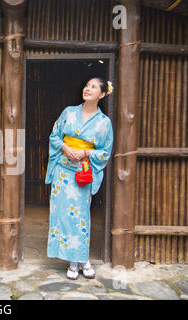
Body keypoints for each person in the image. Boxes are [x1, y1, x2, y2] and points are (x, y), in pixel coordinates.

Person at [45, 78, 114, 280]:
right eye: (86, 85)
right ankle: (73, 262)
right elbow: (55, 136)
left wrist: (85, 154)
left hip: (82, 174)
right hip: (62, 171)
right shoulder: (69, 112)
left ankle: (83, 258)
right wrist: (66, 148)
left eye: (93, 87)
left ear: (102, 94)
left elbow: (104, 152)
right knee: (63, 215)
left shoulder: (104, 123)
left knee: (81, 217)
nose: (87, 89)